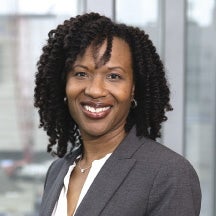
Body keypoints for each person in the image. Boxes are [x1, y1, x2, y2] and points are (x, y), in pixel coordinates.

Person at [34, 12, 201, 216]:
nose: (95, 90)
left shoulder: (168, 173)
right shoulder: (58, 170)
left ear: (133, 89)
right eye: (81, 74)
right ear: (64, 84)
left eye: (114, 76)